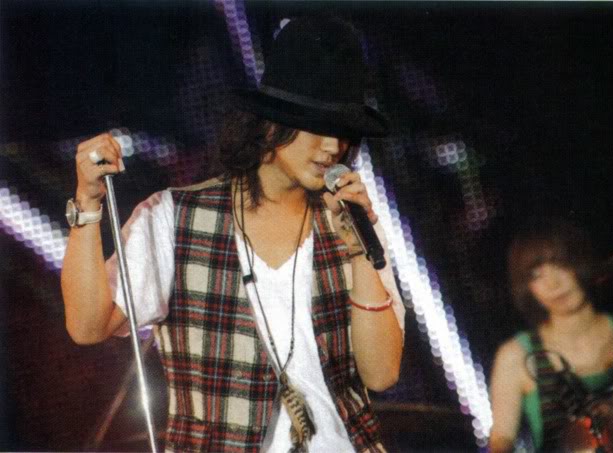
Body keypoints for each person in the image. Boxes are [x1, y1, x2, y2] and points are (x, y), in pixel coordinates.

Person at [61, 16, 404, 453]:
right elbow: (88, 326)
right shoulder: (173, 218)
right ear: (272, 124)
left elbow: (382, 375)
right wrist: (87, 204)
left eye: (343, 132)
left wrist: (359, 252)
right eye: (318, 126)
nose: (332, 147)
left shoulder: (353, 223)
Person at [488, 218, 613, 452]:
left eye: (559, 265)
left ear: (580, 262)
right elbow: (501, 441)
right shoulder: (515, 356)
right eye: (536, 275)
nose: (553, 284)